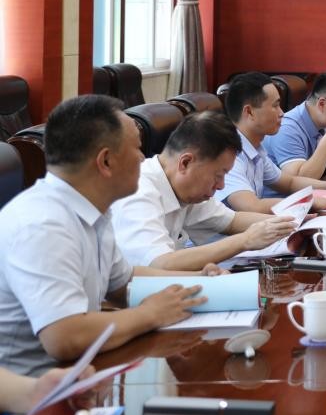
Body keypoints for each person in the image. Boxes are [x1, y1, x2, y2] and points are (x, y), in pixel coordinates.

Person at [0, 95, 209, 374]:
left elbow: (123, 283)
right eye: (137, 148)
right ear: (106, 161)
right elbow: (65, 337)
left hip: (81, 375)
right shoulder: (42, 223)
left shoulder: (93, 211)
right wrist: (149, 314)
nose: (143, 158)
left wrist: (200, 280)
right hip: (32, 391)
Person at [111, 111, 297, 270]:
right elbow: (159, 264)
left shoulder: (182, 188)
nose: (221, 185)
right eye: (218, 175)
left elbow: (232, 221)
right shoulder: (138, 193)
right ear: (185, 163)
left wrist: (295, 224)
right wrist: (245, 240)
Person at [215, 73, 326, 213]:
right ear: (249, 112)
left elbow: (290, 182)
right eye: (275, 106)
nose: (281, 113)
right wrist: (309, 202)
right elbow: (252, 206)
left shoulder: (256, 150)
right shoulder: (230, 154)